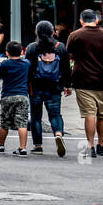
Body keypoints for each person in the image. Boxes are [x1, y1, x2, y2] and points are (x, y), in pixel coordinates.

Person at [66, 9, 103, 157]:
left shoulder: (74, 36)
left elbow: (69, 56)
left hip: (83, 79)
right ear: (97, 20)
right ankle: (101, 144)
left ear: (81, 21)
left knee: (89, 113)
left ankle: (90, 145)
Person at [26, 20, 71, 158]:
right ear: (53, 32)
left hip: (36, 87)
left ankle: (38, 145)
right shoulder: (60, 47)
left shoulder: (32, 48)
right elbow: (66, 69)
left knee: (36, 117)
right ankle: (58, 133)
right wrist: (67, 85)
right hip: (54, 87)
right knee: (55, 114)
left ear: (36, 32)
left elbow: (28, 69)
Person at [0, 41, 31, 157]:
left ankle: (1, 145)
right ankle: (22, 148)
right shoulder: (26, 64)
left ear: (7, 53)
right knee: (22, 123)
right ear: (22, 52)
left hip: (8, 96)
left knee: (5, 122)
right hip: (22, 96)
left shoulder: (5, 64)